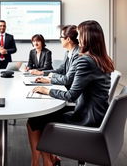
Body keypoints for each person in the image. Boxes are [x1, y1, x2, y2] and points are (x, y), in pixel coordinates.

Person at [27, 20, 114, 166]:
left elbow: (71, 95)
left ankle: (44, 162)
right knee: (41, 117)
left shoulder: (85, 60)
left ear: (86, 37)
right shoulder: (102, 59)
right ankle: (50, 159)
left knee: (35, 120)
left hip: (86, 118)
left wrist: (47, 90)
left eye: (79, 35)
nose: (77, 39)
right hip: (98, 114)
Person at [35, 25, 79, 90]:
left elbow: (68, 79)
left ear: (68, 39)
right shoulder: (68, 52)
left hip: (73, 93)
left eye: (61, 36)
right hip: (66, 88)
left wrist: (51, 77)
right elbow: (61, 70)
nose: (60, 38)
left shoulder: (77, 54)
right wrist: (43, 73)